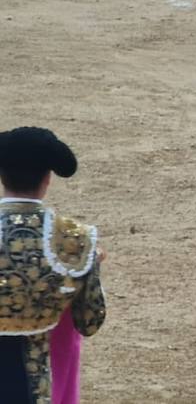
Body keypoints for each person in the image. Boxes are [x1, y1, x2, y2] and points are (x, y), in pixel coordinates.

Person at [0, 127, 106, 404]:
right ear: (47, 179)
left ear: (2, 176)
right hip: (37, 377)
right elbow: (90, 320)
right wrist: (89, 268)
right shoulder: (74, 241)